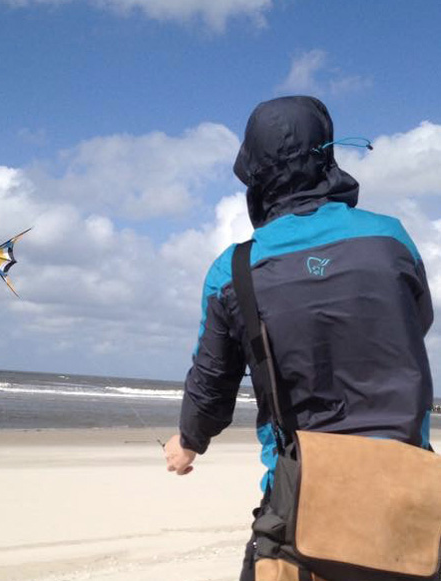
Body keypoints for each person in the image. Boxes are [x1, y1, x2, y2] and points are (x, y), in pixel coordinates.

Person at [164, 95, 434, 580]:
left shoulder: (234, 269)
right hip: (409, 495)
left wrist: (188, 441)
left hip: (303, 501)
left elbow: (213, 381)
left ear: (253, 172)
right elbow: (419, 320)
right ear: (327, 155)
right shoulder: (392, 239)